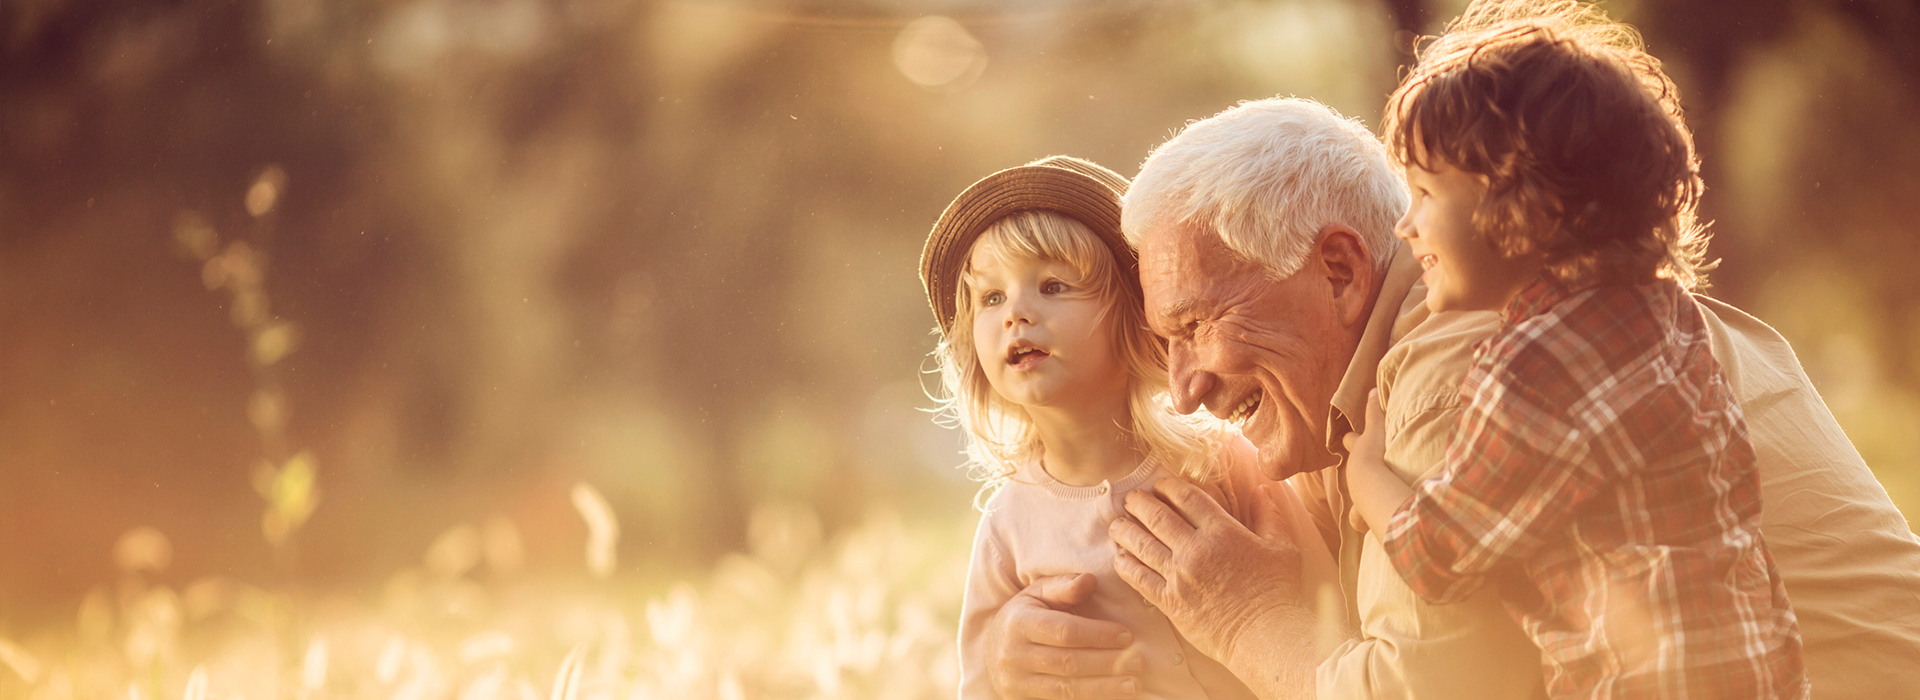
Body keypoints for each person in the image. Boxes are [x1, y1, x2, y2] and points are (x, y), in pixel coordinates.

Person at [983, 19, 1920, 700]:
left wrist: (1244, 620)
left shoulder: (1461, 355)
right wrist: (1019, 652)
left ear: (1342, 270)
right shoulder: (1447, 351)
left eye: (1195, 327)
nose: (1184, 385)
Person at [1338, 2, 1807, 696]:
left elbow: (1440, 556)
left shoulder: (1535, 365)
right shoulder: (1662, 310)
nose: (1406, 227)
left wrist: (1365, 473)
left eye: (1426, 193)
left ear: (1528, 208)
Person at [922, 156, 1339, 700]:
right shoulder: (1008, 524)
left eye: (1052, 285)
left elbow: (1328, 603)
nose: (1015, 313)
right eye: (991, 297)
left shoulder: (1221, 462)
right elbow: (981, 685)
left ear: (1134, 316)